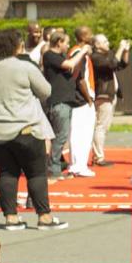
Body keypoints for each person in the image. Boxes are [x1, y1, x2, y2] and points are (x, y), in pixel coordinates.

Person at [0, 28, 67, 231]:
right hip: (24, 127)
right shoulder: (24, 67)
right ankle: (44, 216)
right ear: (16, 46)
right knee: (36, 173)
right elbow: (46, 91)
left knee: (7, 174)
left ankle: (11, 217)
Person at [41, 31, 87, 179]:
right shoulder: (50, 55)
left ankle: (54, 166)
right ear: (59, 42)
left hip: (65, 101)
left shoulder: (59, 57)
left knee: (61, 136)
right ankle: (53, 169)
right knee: (60, 137)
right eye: (66, 42)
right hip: (58, 102)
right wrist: (82, 51)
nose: (67, 46)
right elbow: (70, 64)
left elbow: (72, 73)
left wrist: (81, 59)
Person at [90, 33, 131, 167]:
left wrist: (125, 51)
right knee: (100, 126)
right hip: (103, 95)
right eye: (105, 41)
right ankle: (99, 157)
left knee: (103, 127)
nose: (108, 43)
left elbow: (121, 65)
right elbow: (112, 64)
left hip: (110, 95)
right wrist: (119, 49)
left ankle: (98, 155)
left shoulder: (106, 55)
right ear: (97, 45)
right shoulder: (95, 57)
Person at [66, 26, 97, 177]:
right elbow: (79, 78)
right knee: (81, 133)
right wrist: (88, 99)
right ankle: (78, 166)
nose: (92, 36)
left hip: (82, 98)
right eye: (89, 33)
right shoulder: (78, 52)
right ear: (83, 36)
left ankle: (78, 164)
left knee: (82, 132)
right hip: (81, 100)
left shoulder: (79, 52)